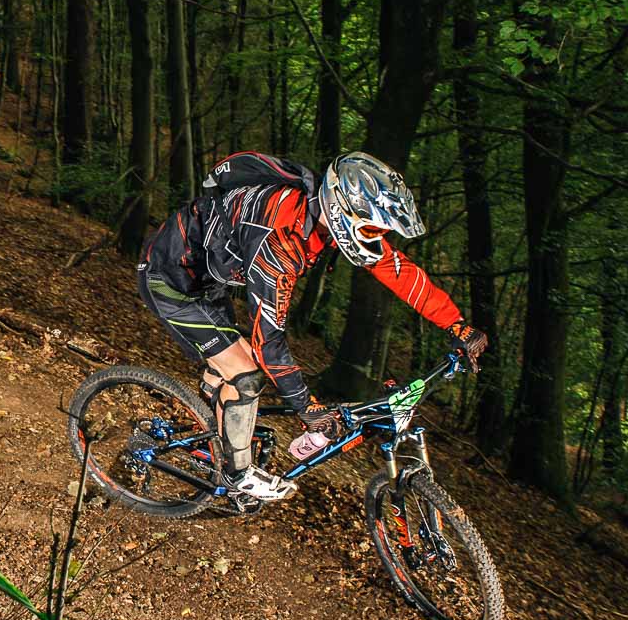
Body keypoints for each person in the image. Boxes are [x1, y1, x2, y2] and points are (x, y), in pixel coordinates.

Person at [135, 150, 488, 502]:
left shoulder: (320, 214)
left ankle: (206, 444)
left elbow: (396, 269)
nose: (376, 236)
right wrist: (307, 407)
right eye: (371, 228)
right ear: (342, 210)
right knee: (246, 374)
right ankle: (236, 473)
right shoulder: (278, 239)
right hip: (171, 278)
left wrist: (456, 324)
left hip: (208, 278)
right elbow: (269, 340)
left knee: (227, 372)